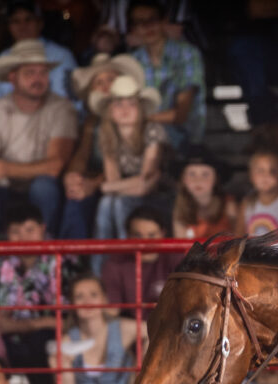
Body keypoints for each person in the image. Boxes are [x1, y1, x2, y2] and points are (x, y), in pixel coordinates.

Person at [0, 38, 77, 240]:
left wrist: (7, 168)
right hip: (3, 186)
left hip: (42, 184)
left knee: (44, 187)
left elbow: (55, 166)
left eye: (43, 73)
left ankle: (46, 249)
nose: (38, 79)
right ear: (12, 78)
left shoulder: (62, 109)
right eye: (29, 73)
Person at [0, 203, 80, 380]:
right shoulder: (0, 264)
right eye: (15, 232)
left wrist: (30, 325)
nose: (23, 238)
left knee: (39, 340)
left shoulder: (63, 261)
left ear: (43, 229)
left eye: (30, 230)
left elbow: (71, 320)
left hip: (49, 337)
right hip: (9, 339)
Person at [60, 53, 147, 239]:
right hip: (104, 184)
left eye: (110, 80)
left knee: (108, 202)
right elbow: (82, 155)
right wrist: (72, 177)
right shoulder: (92, 122)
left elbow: (125, 171)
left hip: (130, 186)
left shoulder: (133, 118)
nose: (106, 86)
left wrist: (93, 184)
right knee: (75, 197)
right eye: (99, 82)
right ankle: (72, 255)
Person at [49, 275, 144, 384]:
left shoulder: (123, 328)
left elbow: (158, 331)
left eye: (93, 295)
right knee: (58, 361)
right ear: (72, 304)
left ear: (104, 299)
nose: (87, 302)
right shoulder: (68, 340)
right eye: (80, 296)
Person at [90, 74, 167, 241]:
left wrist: (106, 187)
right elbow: (113, 179)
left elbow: (145, 183)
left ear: (140, 109)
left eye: (132, 104)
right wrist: (110, 187)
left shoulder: (152, 130)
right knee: (106, 202)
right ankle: (102, 257)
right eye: (118, 104)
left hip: (157, 197)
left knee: (116, 201)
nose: (125, 110)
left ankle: (126, 252)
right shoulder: (106, 134)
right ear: (110, 110)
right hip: (124, 195)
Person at [128, 0, 206, 152]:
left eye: (152, 20)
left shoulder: (187, 54)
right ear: (134, 29)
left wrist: (144, 119)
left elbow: (182, 113)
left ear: (164, 21)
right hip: (142, 134)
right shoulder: (132, 61)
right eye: (140, 22)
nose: (147, 27)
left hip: (183, 137)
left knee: (153, 133)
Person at [0, 1, 78, 104]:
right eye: (16, 21)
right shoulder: (2, 59)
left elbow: (71, 104)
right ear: (9, 27)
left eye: (28, 19)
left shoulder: (62, 56)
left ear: (40, 23)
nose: (22, 26)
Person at [100, 204, 182, 314]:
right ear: (128, 236)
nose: (145, 243)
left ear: (163, 234)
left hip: (171, 323)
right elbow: (111, 313)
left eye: (152, 235)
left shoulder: (176, 258)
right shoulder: (115, 264)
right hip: (131, 324)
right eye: (138, 236)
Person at [171, 147, 236, 239]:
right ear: (183, 179)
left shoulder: (228, 205)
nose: (198, 180)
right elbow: (180, 242)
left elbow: (239, 238)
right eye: (192, 174)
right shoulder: (180, 209)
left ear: (216, 179)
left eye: (205, 174)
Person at [237, 149, 278, 237]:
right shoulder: (247, 203)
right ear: (251, 175)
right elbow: (238, 236)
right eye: (260, 171)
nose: (266, 175)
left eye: (273, 170)